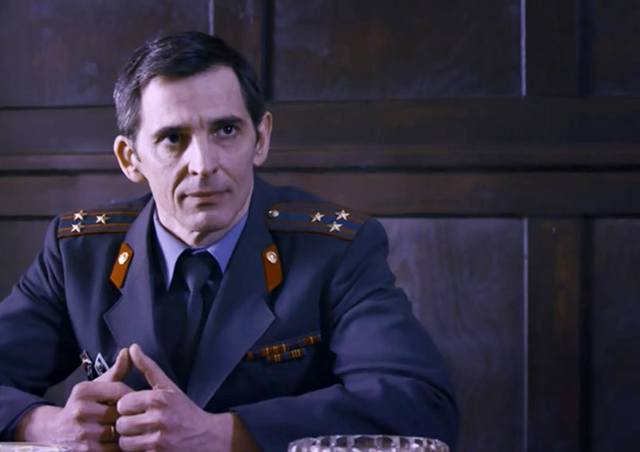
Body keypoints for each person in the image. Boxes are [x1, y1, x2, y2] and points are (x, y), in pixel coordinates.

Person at [0, 32, 458, 451]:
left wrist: (223, 433)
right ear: (130, 158)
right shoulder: (78, 252)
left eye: (226, 130)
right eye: (173, 138)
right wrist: (43, 425)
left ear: (261, 139)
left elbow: (420, 404)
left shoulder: (335, 249)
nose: (204, 164)